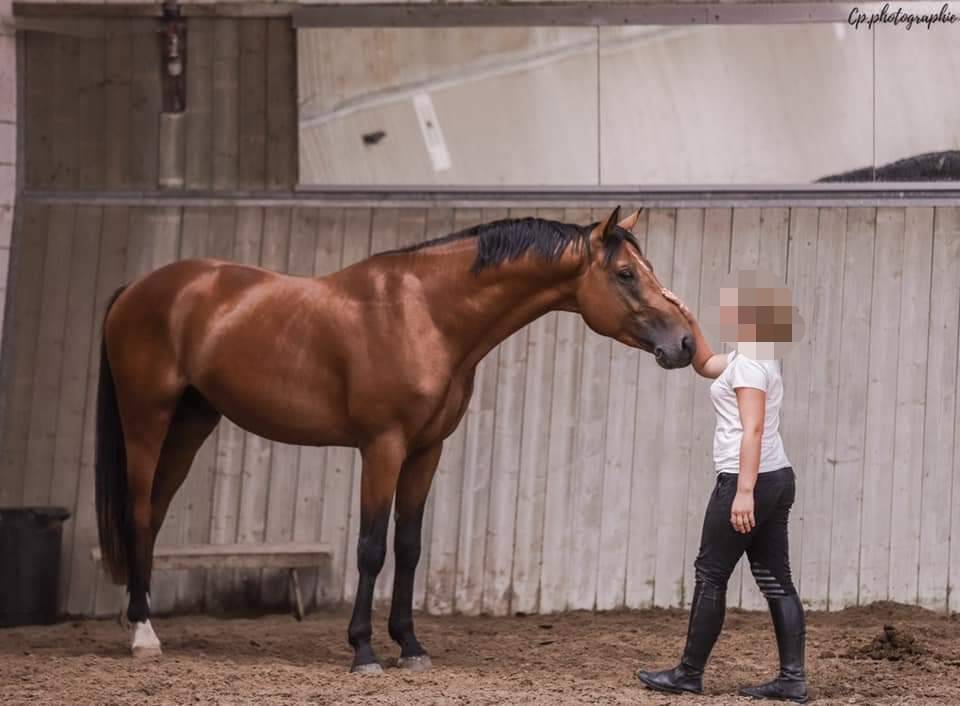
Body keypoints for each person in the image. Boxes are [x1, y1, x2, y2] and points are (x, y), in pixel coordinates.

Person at [636, 278, 808, 704]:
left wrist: (743, 492)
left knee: (710, 573)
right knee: (775, 579)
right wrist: (688, 318)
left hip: (748, 478)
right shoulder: (749, 357)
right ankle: (792, 679)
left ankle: (688, 674)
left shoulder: (751, 364)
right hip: (776, 477)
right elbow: (704, 363)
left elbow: (753, 427)